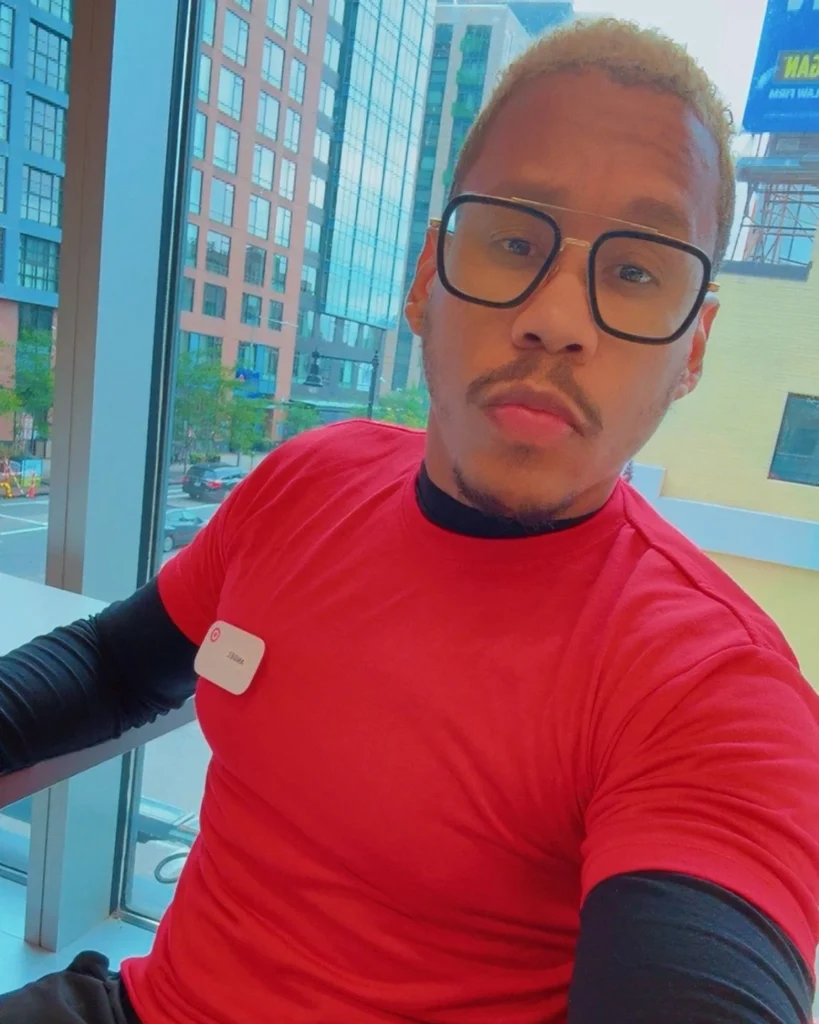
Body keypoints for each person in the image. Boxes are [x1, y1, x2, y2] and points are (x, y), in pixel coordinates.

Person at [1, 17, 818, 1024]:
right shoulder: (310, 479)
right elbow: (114, 669)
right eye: (516, 239)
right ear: (428, 276)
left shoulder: (710, 683)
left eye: (636, 271)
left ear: (693, 349)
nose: (557, 317)